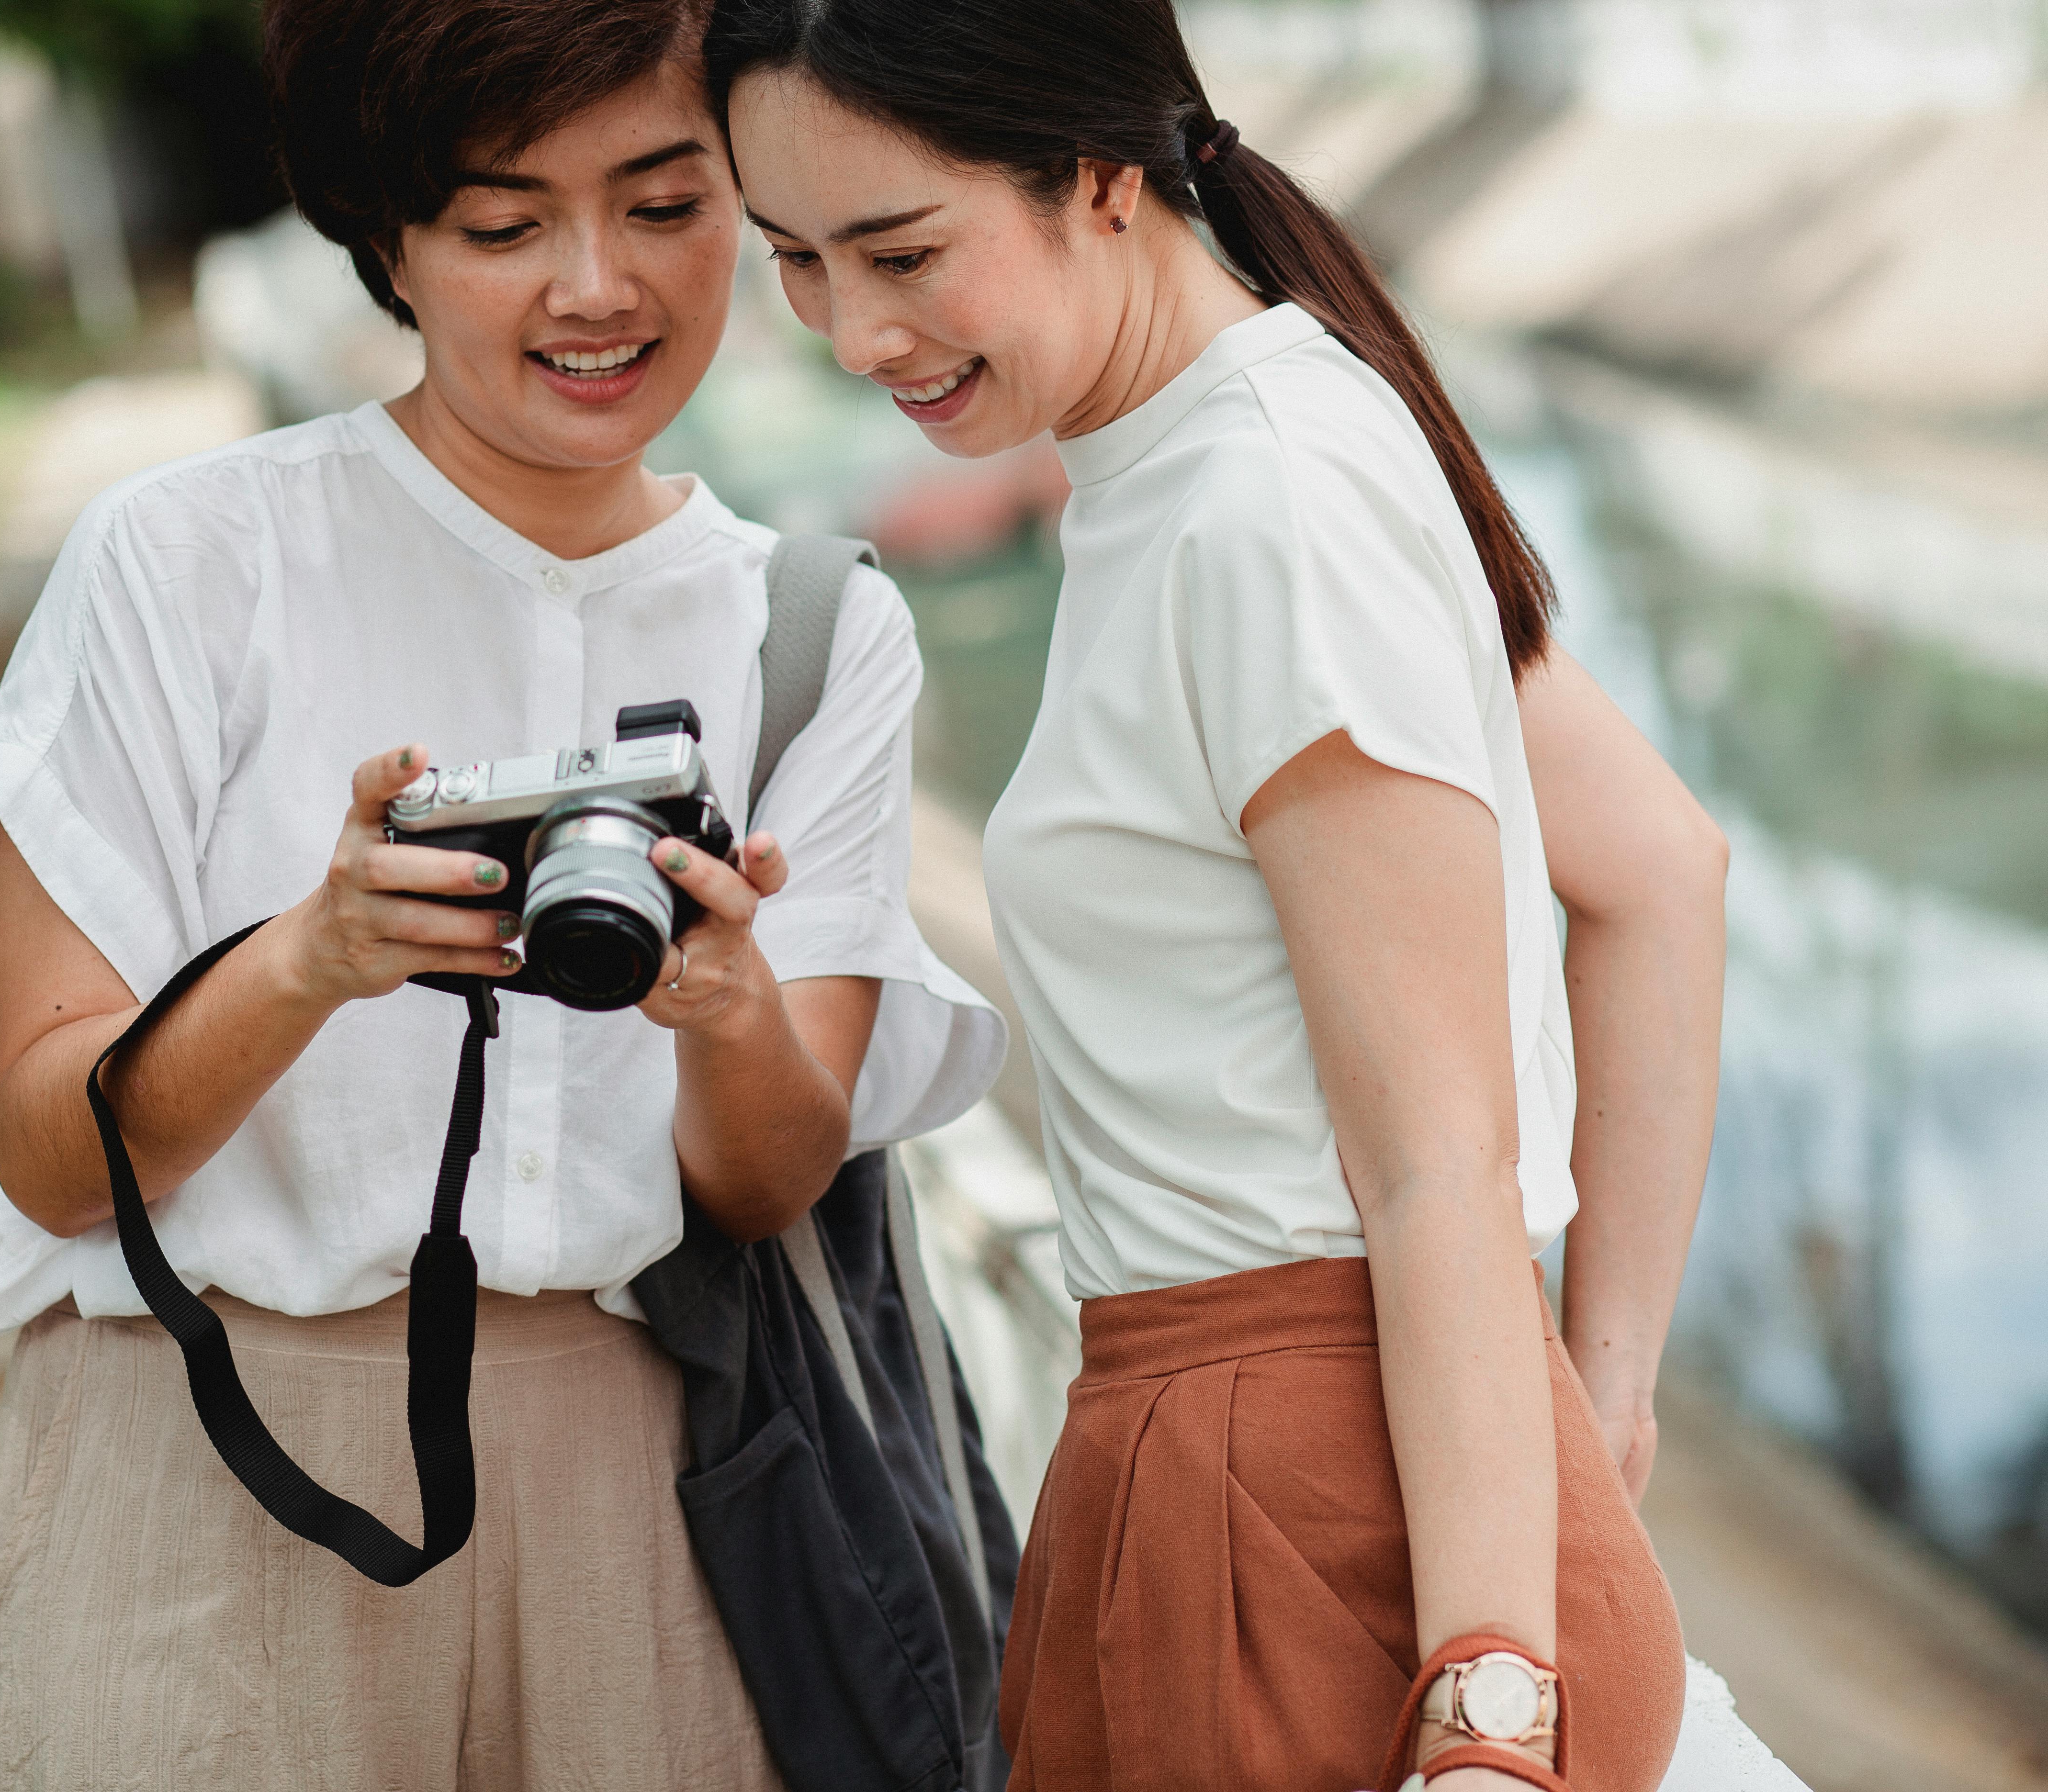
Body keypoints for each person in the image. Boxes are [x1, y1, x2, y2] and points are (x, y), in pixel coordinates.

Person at [0, 0, 1002, 1783]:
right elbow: (55, 1152)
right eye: (505, 227)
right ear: (390, 245)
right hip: (208, 1462)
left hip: (657, 1465)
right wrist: (313, 958)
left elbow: (770, 1176)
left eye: (668, 206)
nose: (599, 287)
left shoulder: (809, 628)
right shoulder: (187, 564)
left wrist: (724, 1002)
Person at [713, 2, 1728, 1789]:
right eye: (794, 260)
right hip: (1280, 1479)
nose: (854, 331)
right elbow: (1660, 866)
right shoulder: (1246, 437)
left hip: (1302, 1530)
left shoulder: (1263, 502)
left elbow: (1439, 1159)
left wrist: (1492, 1699)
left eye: (903, 252)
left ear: (1101, 175)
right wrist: (1602, 1404)